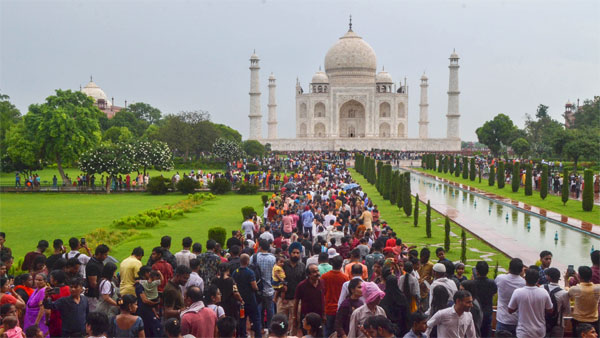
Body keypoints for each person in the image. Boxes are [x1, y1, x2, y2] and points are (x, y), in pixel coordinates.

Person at [508, 268, 553, 338]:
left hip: (523, 332)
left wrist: (520, 305)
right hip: (539, 332)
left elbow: (510, 310)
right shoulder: (544, 292)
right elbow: (550, 310)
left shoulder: (518, 292)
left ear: (525, 278)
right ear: (538, 280)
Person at [461, 261, 497, 338]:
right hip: (487, 313)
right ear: (488, 271)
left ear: (477, 272)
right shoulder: (492, 283)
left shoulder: (471, 283)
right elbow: (494, 293)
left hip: (474, 313)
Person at [232, 254, 261, 338]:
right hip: (251, 300)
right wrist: (258, 289)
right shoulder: (250, 272)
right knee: (256, 319)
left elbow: (234, 286)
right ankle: (258, 335)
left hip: (241, 300)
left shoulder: (235, 272)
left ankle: (243, 335)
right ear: (248, 261)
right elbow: (254, 286)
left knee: (242, 319)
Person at [495, 258, 525, 336]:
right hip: (517, 320)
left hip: (502, 319)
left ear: (509, 268)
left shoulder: (500, 278)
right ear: (521, 270)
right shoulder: (523, 283)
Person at [567, 265, 600, 337]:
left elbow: (567, 294)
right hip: (594, 321)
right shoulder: (597, 288)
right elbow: (586, 286)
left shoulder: (575, 289)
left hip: (578, 321)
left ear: (579, 276)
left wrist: (566, 279)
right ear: (591, 276)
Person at [321, 255, 348, 337]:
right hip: (340, 310)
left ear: (332, 264)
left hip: (328, 309)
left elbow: (322, 294)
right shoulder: (345, 278)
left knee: (327, 332)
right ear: (341, 265)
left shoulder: (324, 277)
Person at [293, 264, 325, 335]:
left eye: (317, 271)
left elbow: (323, 299)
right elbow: (296, 302)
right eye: (314, 272)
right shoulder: (301, 285)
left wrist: (324, 314)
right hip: (307, 318)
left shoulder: (322, 282)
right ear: (308, 274)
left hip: (319, 317)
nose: (317, 273)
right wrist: (295, 318)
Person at [280, 243, 306, 328]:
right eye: (294, 252)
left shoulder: (302, 266)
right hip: (283, 300)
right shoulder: (283, 265)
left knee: (295, 322)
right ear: (290, 253)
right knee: (282, 323)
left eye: (298, 253)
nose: (295, 255)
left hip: (296, 300)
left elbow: (303, 283)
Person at [255, 238, 276, 332]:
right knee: (270, 310)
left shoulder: (255, 257)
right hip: (270, 288)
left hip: (257, 288)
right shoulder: (273, 258)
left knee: (259, 310)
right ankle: (271, 328)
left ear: (260, 247)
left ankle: (260, 327)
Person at [134, 267, 162, 338]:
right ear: (146, 273)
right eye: (149, 272)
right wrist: (155, 303)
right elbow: (144, 300)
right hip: (144, 310)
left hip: (149, 308)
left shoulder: (144, 282)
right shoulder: (140, 285)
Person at [543, 267, 570, 338]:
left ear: (548, 277)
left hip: (543, 322)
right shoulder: (564, 293)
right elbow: (567, 311)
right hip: (558, 324)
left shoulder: (542, 288)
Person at [23, 273, 49, 337]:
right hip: (30, 317)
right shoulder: (37, 289)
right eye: (36, 279)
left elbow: (42, 308)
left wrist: (36, 323)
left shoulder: (44, 290)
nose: (37, 282)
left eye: (40, 280)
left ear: (45, 281)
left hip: (38, 319)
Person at [85, 244, 109, 312]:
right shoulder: (93, 265)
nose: (106, 257)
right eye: (105, 255)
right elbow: (93, 283)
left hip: (98, 295)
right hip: (93, 296)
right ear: (99, 254)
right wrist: (104, 289)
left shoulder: (99, 262)